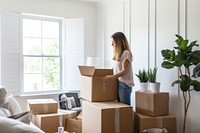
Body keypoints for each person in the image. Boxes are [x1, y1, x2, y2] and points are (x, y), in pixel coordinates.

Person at [104, 32, 134, 105]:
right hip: (118, 83)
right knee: (120, 108)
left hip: (124, 85)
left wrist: (112, 77)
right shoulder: (118, 55)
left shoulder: (126, 53)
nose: (112, 44)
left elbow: (124, 70)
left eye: (113, 42)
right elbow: (115, 69)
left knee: (124, 109)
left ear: (119, 42)